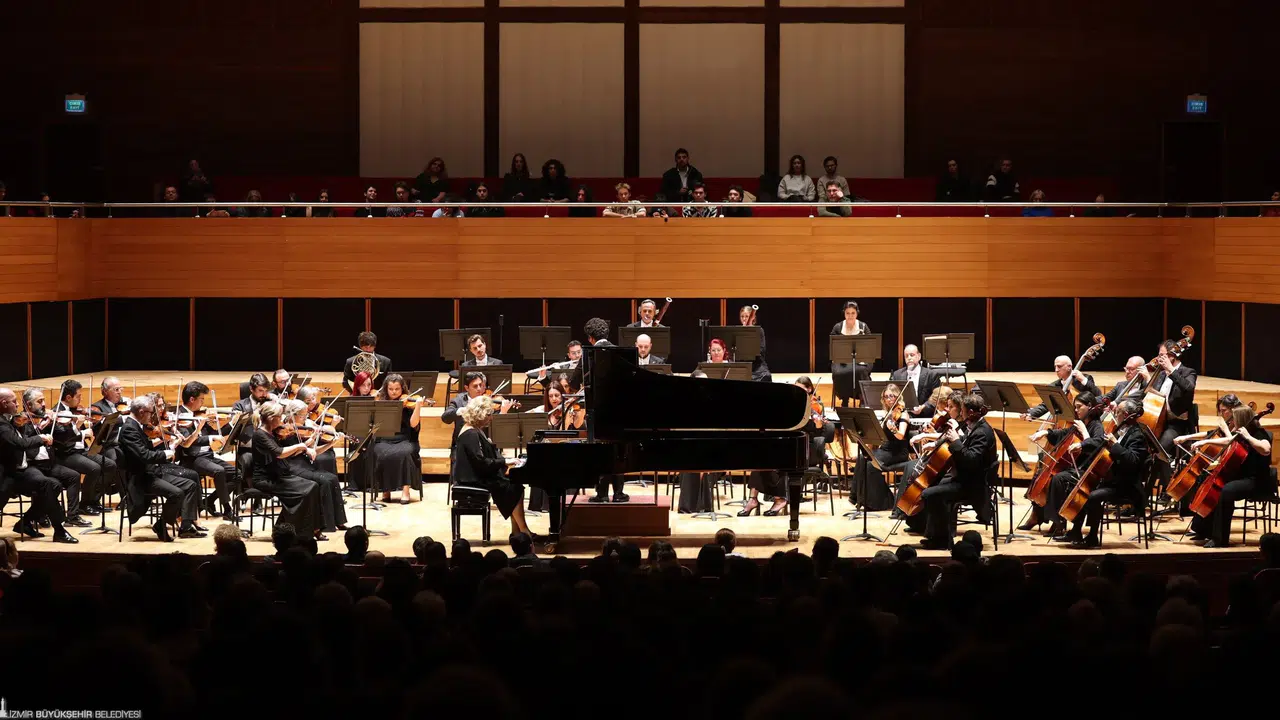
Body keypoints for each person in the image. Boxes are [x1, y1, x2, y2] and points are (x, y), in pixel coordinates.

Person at [1054, 398, 1150, 549]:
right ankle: (1075, 531)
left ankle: (1092, 537)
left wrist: (1115, 444)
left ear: (1125, 415)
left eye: (1117, 412)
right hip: (1111, 480)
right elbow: (1102, 448)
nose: (1115, 414)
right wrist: (1084, 445)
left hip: (1126, 486)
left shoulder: (1138, 435)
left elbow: (1132, 461)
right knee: (1077, 486)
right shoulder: (1119, 430)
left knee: (1092, 496)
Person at [741, 376, 833, 517]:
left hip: (808, 450)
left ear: (809, 389)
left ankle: (780, 499)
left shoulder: (814, 408)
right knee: (761, 460)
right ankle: (753, 499)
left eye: (801, 389)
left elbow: (819, 435)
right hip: (791, 447)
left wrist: (819, 424)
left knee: (777, 461)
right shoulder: (793, 406)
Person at [914, 393, 996, 550]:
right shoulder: (976, 426)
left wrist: (956, 440)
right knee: (931, 484)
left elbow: (971, 460)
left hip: (972, 485)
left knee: (930, 494)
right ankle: (934, 535)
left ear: (970, 412)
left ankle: (941, 540)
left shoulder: (982, 432)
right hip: (965, 478)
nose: (961, 414)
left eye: (963, 410)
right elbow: (966, 448)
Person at [118, 395, 204, 541]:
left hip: (152, 472)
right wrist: (165, 454)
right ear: (141, 412)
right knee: (176, 493)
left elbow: (145, 448)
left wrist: (167, 447)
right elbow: (144, 455)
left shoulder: (136, 426)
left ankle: (185, 526)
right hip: (141, 478)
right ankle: (161, 525)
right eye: (150, 412)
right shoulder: (129, 429)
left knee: (190, 485)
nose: (151, 416)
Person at [1188, 405, 1272, 548]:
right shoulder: (1240, 434)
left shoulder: (1259, 434)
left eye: (1235, 419)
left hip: (1256, 480)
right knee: (1208, 481)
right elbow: (1229, 441)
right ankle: (1203, 530)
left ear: (1242, 420)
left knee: (1226, 491)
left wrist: (1248, 436)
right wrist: (1206, 441)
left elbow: (1266, 449)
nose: (1232, 421)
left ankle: (1220, 539)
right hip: (1241, 477)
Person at [0, 389, 78, 543]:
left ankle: (26, 523)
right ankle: (59, 530)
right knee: (47, 484)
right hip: (8, 475)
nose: (17, 405)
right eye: (14, 402)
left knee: (54, 485)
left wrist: (23, 425)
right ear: (3, 403)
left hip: (21, 470)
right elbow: (20, 443)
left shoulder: (8, 419)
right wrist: (40, 438)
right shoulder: (2, 425)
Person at [1022, 391, 1105, 534]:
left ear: (1090, 406)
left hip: (1086, 470)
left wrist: (1084, 436)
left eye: (1079, 407)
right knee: (1045, 471)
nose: (1076, 410)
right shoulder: (1079, 423)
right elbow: (1064, 434)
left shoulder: (1096, 425)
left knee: (1058, 479)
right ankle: (1048, 518)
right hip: (1074, 467)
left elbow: (1097, 445)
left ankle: (1058, 522)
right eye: (1075, 407)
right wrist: (1046, 433)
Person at [451, 395, 533, 536]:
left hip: (476, 474)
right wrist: (504, 462)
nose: (491, 418)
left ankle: (517, 531)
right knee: (513, 487)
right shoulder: (470, 433)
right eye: (489, 414)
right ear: (480, 414)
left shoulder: (474, 429)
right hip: (472, 478)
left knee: (515, 485)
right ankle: (523, 530)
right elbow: (481, 463)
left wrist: (505, 460)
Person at [251, 401, 324, 540]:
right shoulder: (260, 435)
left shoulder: (272, 432)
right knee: (304, 492)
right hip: (265, 479)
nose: (282, 419)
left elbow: (286, 452)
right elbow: (279, 453)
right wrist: (301, 446)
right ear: (271, 418)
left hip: (279, 475)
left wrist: (307, 443)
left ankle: (312, 528)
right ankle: (290, 532)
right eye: (279, 416)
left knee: (313, 486)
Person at [19, 389, 90, 527]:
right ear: (28, 404)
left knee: (73, 476)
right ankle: (40, 515)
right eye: (39, 401)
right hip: (32, 465)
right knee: (50, 484)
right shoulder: (21, 422)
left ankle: (73, 516)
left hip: (49, 464)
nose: (44, 404)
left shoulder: (47, 419)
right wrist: (40, 427)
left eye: (44, 400)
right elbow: (24, 441)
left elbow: (64, 437)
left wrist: (71, 425)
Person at [175, 381, 240, 521]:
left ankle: (209, 501)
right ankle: (227, 510)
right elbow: (188, 441)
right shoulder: (180, 417)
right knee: (219, 471)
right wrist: (210, 437)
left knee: (237, 475)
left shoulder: (199, 415)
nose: (203, 403)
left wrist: (232, 423)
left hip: (207, 456)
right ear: (192, 399)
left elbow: (216, 433)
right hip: (192, 458)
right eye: (201, 399)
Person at [280, 400, 348, 533]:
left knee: (333, 478)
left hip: (305, 464)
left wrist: (331, 443)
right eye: (302, 415)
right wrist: (311, 439)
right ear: (292, 415)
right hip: (292, 466)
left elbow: (314, 451)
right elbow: (293, 453)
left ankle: (338, 521)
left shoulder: (302, 430)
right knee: (324, 481)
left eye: (306, 415)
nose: (305, 418)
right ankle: (325, 525)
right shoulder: (284, 431)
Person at [51, 379, 111, 516]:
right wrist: (80, 430)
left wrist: (93, 425)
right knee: (94, 468)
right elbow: (63, 440)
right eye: (78, 396)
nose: (81, 399)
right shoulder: (57, 413)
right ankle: (84, 504)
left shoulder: (76, 411)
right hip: (66, 454)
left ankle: (93, 500)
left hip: (81, 451)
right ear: (68, 397)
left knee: (109, 465)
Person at [1146, 339, 1197, 490]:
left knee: (1160, 450)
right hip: (1158, 420)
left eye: (1162, 355)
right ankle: (1145, 492)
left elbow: (1189, 388)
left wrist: (1171, 370)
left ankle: (1168, 490)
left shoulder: (1188, 372)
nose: (1158, 358)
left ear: (1172, 356)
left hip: (1177, 424)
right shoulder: (1161, 374)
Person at [854, 384, 913, 512]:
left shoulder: (903, 414)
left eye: (892, 396)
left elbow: (901, 435)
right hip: (885, 450)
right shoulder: (888, 414)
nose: (889, 399)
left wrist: (894, 430)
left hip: (897, 452)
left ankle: (883, 501)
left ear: (897, 397)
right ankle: (858, 497)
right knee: (862, 458)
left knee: (871, 465)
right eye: (886, 397)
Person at [371, 374, 426, 505]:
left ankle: (405, 490)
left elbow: (413, 424)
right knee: (382, 454)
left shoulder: (409, 404)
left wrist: (418, 406)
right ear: (386, 389)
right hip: (384, 439)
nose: (394, 392)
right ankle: (386, 490)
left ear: (402, 389)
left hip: (405, 439)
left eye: (397, 389)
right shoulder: (381, 403)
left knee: (405, 453)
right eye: (391, 389)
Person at [442, 372, 515, 449]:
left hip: (484, 445)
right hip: (461, 446)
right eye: (475, 386)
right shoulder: (459, 400)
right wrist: (465, 409)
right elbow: (445, 418)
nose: (479, 389)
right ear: (467, 388)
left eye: (481, 385)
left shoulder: (487, 401)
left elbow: (496, 428)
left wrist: (503, 412)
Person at [1021, 355, 1102, 420]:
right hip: (1063, 421)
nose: (1056, 370)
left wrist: (1083, 380)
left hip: (1083, 420)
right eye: (1055, 367)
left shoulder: (1084, 379)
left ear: (1069, 367)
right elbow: (1046, 405)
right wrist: (1031, 414)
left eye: (1059, 366)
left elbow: (1098, 395)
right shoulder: (1054, 386)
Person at [830, 301, 871, 407]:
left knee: (860, 371)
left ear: (857, 313)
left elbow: (870, 346)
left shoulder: (863, 326)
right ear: (844, 313)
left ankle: (862, 398)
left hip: (861, 359)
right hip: (842, 360)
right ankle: (845, 398)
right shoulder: (838, 327)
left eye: (853, 313)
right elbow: (833, 347)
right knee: (840, 373)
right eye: (848, 313)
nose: (850, 316)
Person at [890, 344, 941, 417]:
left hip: (925, 415)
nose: (909, 358)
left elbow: (937, 397)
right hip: (903, 415)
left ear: (919, 356)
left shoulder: (931, 375)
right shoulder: (897, 375)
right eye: (906, 356)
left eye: (912, 355)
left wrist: (923, 407)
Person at [736, 304, 772, 382]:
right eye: (742, 316)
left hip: (757, 365)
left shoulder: (759, 330)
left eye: (747, 316)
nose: (744, 319)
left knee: (766, 376)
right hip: (742, 365)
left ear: (753, 317)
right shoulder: (737, 331)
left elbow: (761, 350)